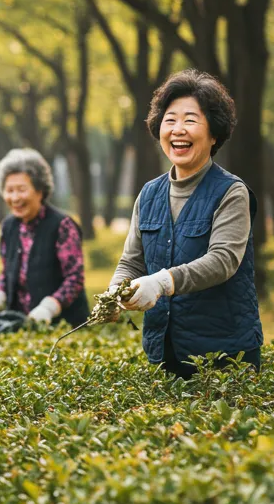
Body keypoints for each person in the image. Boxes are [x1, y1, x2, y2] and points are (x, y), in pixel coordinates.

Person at [109, 68, 263, 378]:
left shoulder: (231, 193)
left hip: (224, 357)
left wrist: (162, 282)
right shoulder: (149, 194)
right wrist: (116, 290)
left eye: (190, 120)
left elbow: (223, 261)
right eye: (170, 120)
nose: (178, 129)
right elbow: (131, 261)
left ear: (214, 133)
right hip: (164, 354)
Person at [0, 148, 88, 326]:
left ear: (40, 191)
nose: (15, 197)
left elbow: (74, 279)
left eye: (21, 189)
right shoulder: (8, 226)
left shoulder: (62, 225)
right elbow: (7, 273)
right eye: (9, 190)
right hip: (21, 324)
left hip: (64, 327)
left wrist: (49, 307)